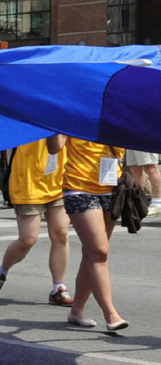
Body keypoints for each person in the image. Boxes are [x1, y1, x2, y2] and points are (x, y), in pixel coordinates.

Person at [48, 134, 127, 332]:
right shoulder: (74, 115)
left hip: (112, 187)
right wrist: (58, 121)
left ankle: (76, 311)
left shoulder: (115, 116)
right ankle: (111, 313)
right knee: (99, 251)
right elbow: (53, 147)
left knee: (92, 254)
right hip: (79, 188)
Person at [0, 139, 72, 305]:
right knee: (28, 239)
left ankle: (58, 287)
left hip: (59, 178)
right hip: (28, 180)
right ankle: (1, 271)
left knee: (61, 233)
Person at [123, 149, 161, 216]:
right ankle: (139, 201)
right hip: (131, 142)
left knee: (150, 167)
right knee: (134, 168)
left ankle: (157, 203)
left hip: (144, 142)